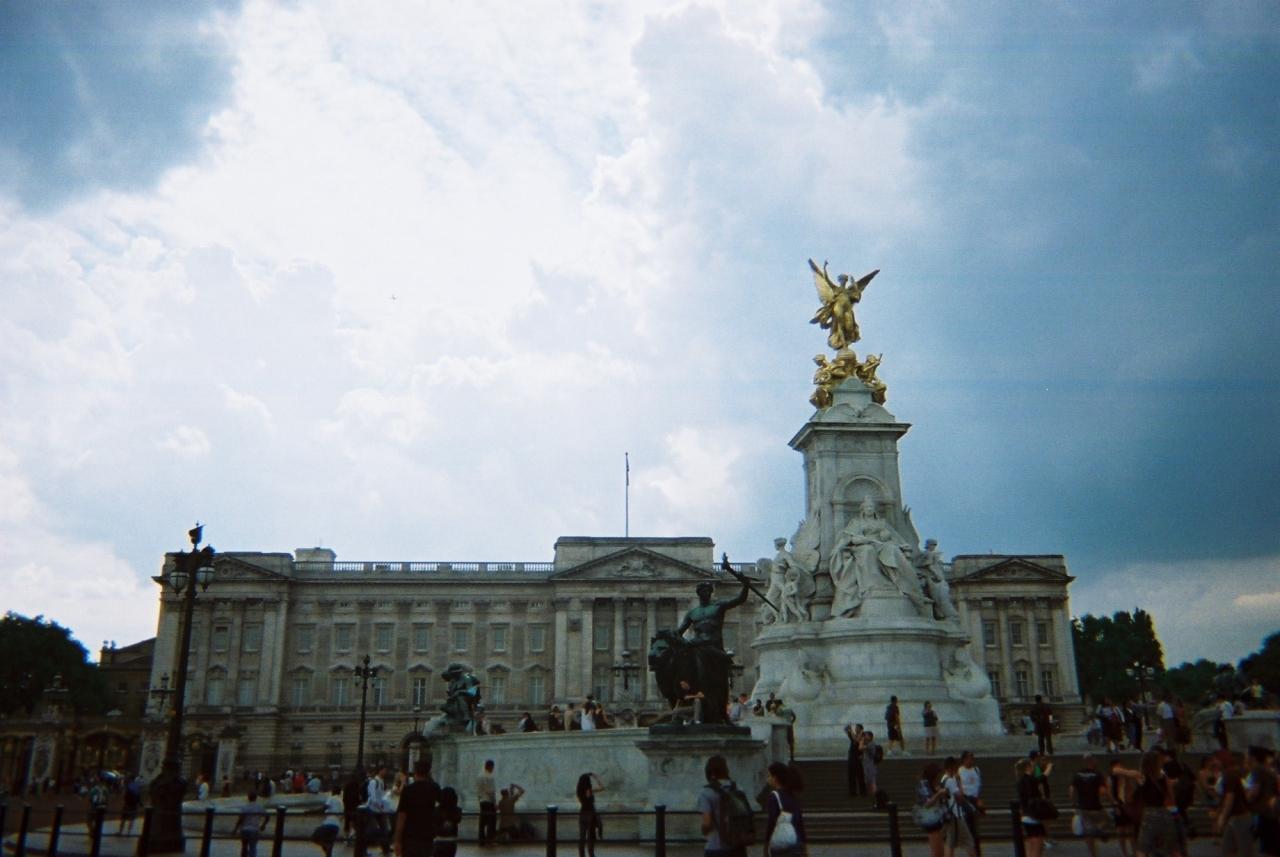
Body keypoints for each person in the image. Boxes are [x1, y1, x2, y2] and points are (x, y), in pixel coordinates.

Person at [674, 571, 751, 726]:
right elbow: (679, 633)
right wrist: (680, 642)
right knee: (693, 675)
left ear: (711, 592)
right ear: (698, 593)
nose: (706, 593)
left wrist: (746, 585)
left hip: (714, 648)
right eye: (703, 590)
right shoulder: (692, 613)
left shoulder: (718, 606)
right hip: (698, 647)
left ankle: (722, 713)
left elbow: (740, 599)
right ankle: (696, 711)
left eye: (708, 590)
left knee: (721, 682)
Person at [697, 755, 746, 857]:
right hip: (738, 846)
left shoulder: (706, 793)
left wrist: (703, 830)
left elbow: (707, 823)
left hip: (716, 846)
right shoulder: (738, 789)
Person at [393, 757, 439, 857]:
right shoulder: (434, 789)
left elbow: (401, 817)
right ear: (428, 772)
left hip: (410, 836)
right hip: (427, 835)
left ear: (415, 772)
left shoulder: (408, 790)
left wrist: (397, 840)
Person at [1069, 754, 1112, 857]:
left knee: (1088, 833)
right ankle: (1098, 828)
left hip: (1083, 807)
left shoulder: (1077, 775)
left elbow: (1071, 790)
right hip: (1096, 806)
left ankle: (1093, 854)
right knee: (1107, 819)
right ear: (1092, 761)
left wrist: (1074, 803)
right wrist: (1110, 798)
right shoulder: (1097, 774)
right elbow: (1103, 791)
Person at [1216, 753, 1255, 857]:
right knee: (1228, 849)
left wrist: (1222, 816)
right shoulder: (1232, 774)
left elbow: (1230, 797)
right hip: (1235, 817)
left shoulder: (1230, 775)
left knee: (1244, 851)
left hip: (1239, 816)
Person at [764, 762, 806, 857]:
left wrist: (766, 844)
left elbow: (772, 822)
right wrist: (804, 847)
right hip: (796, 841)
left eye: (769, 776)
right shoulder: (793, 796)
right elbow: (799, 823)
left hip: (781, 842)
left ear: (775, 778)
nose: (768, 779)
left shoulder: (774, 796)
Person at [940, 756, 977, 857]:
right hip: (956, 814)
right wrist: (959, 783)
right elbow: (959, 796)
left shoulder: (943, 779)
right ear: (952, 767)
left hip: (950, 814)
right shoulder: (950, 781)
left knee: (950, 842)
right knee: (968, 841)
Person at [916, 763, 949, 857]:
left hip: (937, 818)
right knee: (937, 852)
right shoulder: (924, 784)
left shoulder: (932, 784)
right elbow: (927, 803)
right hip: (931, 819)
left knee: (940, 851)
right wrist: (938, 794)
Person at [1016, 759, 1047, 857]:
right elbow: (1035, 794)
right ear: (1028, 767)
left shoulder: (1021, 780)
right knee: (1037, 844)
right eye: (1032, 766)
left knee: (1031, 843)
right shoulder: (1031, 780)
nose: (1034, 767)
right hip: (1034, 814)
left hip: (1026, 814)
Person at [957, 751, 984, 857]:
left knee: (975, 828)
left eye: (972, 758)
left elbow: (979, 785)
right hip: (965, 800)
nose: (971, 760)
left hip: (975, 799)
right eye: (969, 758)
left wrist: (979, 799)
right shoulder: (959, 771)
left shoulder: (976, 770)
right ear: (964, 759)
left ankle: (976, 851)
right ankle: (972, 852)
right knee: (969, 828)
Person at [311, 784, 345, 857]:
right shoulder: (341, 802)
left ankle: (326, 845)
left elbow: (324, 808)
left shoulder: (331, 798)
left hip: (329, 823)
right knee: (329, 844)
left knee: (315, 837)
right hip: (336, 825)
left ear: (333, 791)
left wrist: (311, 811)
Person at [576, 773, 605, 857]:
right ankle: (591, 854)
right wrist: (596, 777)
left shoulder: (579, 791)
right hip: (590, 814)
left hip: (582, 813)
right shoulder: (589, 790)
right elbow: (602, 787)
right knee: (590, 836)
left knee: (582, 836)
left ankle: (581, 854)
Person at [234, 790, 269, 857]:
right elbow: (267, 816)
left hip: (244, 829)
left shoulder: (244, 807)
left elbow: (240, 819)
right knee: (253, 847)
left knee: (244, 847)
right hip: (254, 829)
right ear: (256, 798)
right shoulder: (259, 807)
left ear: (248, 797)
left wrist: (235, 829)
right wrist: (263, 825)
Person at [476, 760, 496, 846]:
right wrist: (494, 802)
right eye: (493, 767)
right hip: (489, 801)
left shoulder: (479, 776)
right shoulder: (490, 777)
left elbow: (478, 790)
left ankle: (481, 840)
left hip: (482, 801)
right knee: (491, 821)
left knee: (482, 821)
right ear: (491, 766)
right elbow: (491, 791)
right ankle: (490, 840)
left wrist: (479, 799)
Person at [844, 723, 866, 798]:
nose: (855, 729)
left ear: (861, 729)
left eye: (857, 728)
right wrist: (848, 728)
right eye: (855, 728)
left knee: (860, 775)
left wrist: (851, 731)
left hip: (857, 757)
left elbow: (856, 740)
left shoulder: (863, 735)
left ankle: (863, 792)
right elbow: (846, 731)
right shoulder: (854, 735)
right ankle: (852, 792)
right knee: (851, 774)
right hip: (851, 756)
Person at [860, 730, 881, 802]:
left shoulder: (871, 744)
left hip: (870, 767)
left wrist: (861, 740)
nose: (864, 737)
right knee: (869, 782)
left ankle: (876, 797)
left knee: (872, 782)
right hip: (868, 766)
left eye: (866, 735)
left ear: (870, 737)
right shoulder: (869, 744)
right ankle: (872, 797)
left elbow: (860, 747)